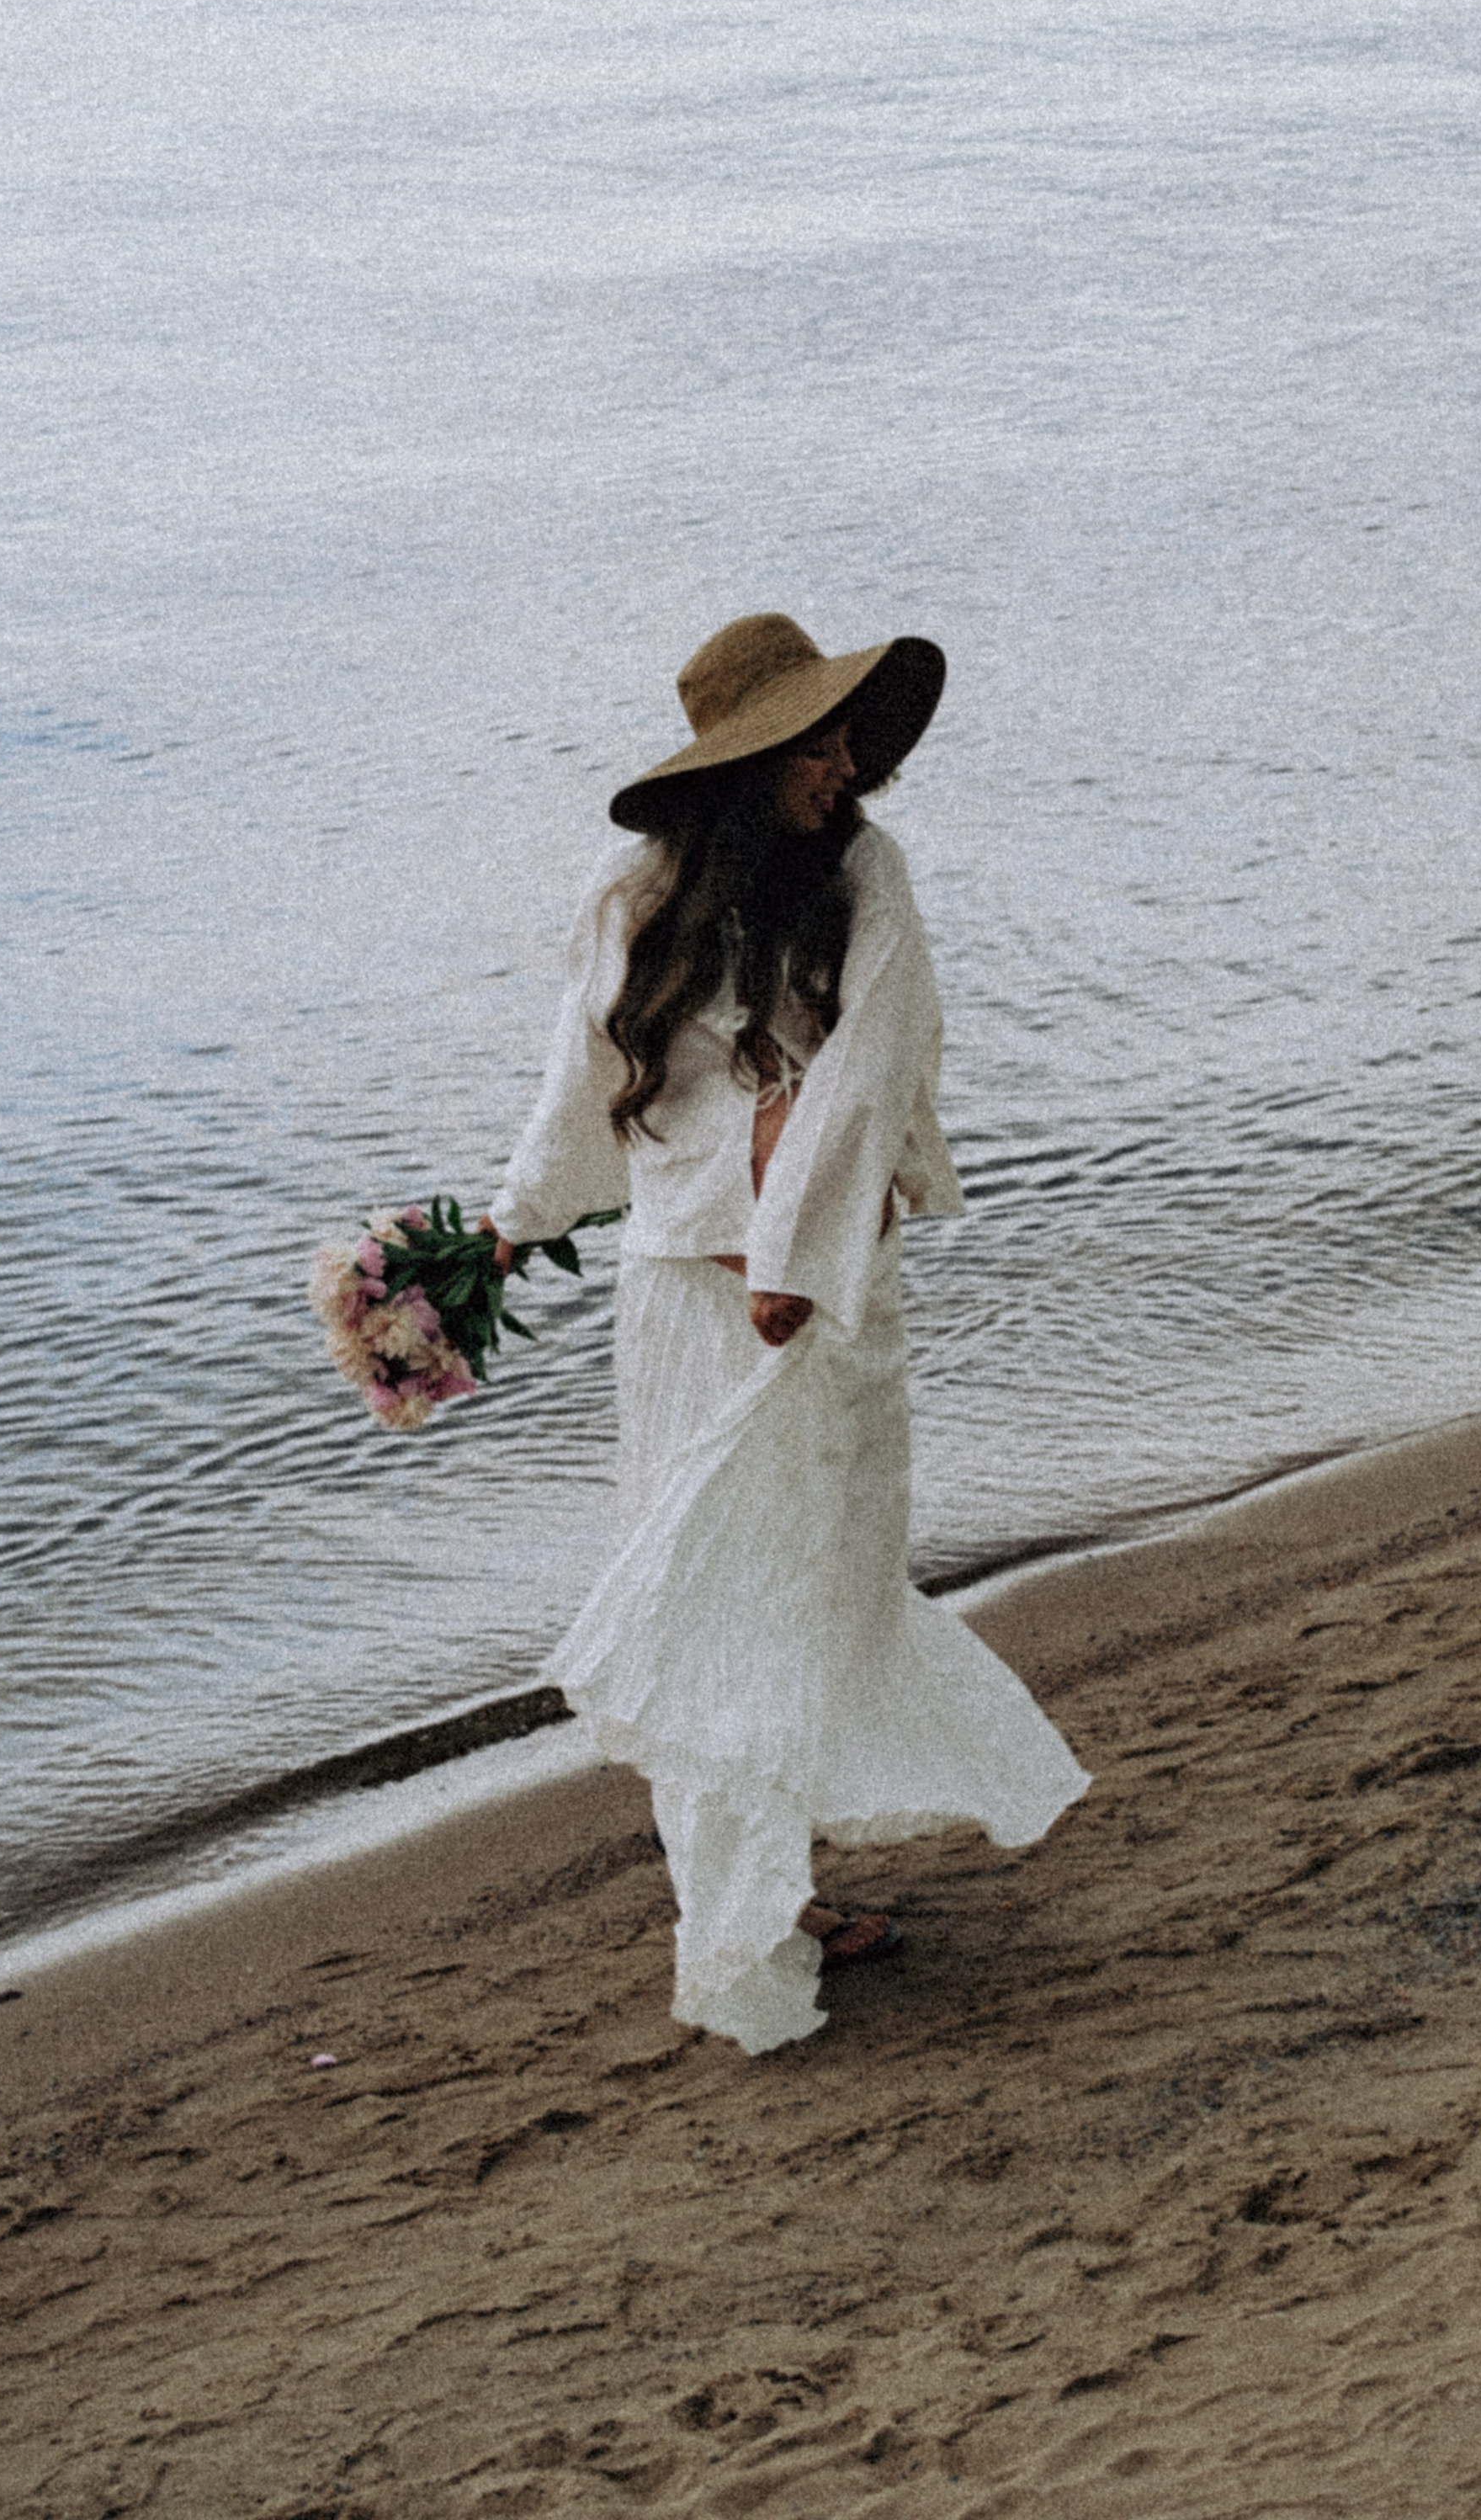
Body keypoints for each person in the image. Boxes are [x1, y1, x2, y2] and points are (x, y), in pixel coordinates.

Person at [485, 611, 1088, 2055]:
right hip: (688, 1295)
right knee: (701, 1597)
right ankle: (750, 1903)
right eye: (812, 744)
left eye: (841, 737)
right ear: (743, 768)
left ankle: (781, 1869)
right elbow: (584, 1088)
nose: (843, 764)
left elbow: (875, 1061)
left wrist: (800, 1257)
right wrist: (505, 1232)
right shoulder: (633, 898)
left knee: (822, 1578)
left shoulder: (868, 876)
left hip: (822, 1293)